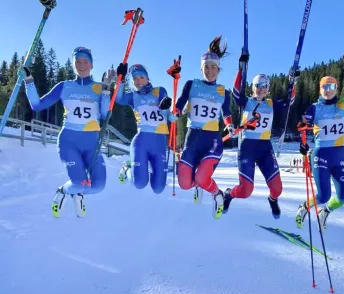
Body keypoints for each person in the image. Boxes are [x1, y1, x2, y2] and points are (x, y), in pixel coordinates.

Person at [23, 47, 112, 217]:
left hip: (92, 144)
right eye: (77, 61)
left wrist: (107, 89)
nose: (81, 65)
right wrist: (29, 81)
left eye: (86, 61)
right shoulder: (64, 86)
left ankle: (76, 193)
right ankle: (63, 191)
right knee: (80, 183)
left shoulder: (99, 88)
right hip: (69, 142)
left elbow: (104, 114)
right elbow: (37, 105)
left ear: (92, 65)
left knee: (98, 186)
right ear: (73, 64)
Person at [295, 53, 344, 231]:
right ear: (320, 89)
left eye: (332, 86)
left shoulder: (343, 105)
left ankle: (325, 212)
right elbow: (302, 128)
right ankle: (304, 207)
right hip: (321, 155)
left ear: (337, 88)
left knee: (343, 198)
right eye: (325, 86)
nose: (329, 90)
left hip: (338, 155)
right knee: (323, 195)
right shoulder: (314, 108)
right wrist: (303, 143)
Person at [173, 36, 233, 219]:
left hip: (212, 140)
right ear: (201, 68)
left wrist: (230, 126)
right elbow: (179, 105)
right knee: (184, 183)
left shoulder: (222, 90)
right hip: (192, 138)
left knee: (201, 178)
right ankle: (199, 185)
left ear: (219, 69)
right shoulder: (191, 85)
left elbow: (227, 113)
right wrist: (174, 111)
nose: (210, 70)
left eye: (213, 67)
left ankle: (217, 194)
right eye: (206, 67)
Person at [222, 53, 283, 218]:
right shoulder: (245, 101)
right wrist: (240, 69)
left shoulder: (272, 104)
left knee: (277, 189)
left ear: (268, 88)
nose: (261, 88)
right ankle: (229, 194)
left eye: (264, 85)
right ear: (253, 87)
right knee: (245, 190)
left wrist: (294, 81)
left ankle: (272, 199)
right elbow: (235, 91)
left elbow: (290, 102)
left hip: (265, 148)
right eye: (258, 85)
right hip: (247, 148)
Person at [115, 63, 177, 193]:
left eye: (141, 77)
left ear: (147, 78)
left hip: (159, 143)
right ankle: (127, 169)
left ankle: (144, 165)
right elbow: (119, 99)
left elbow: (166, 105)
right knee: (140, 183)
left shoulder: (159, 91)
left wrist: (168, 106)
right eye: (135, 79)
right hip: (141, 141)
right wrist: (120, 79)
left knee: (158, 188)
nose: (138, 81)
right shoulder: (133, 96)